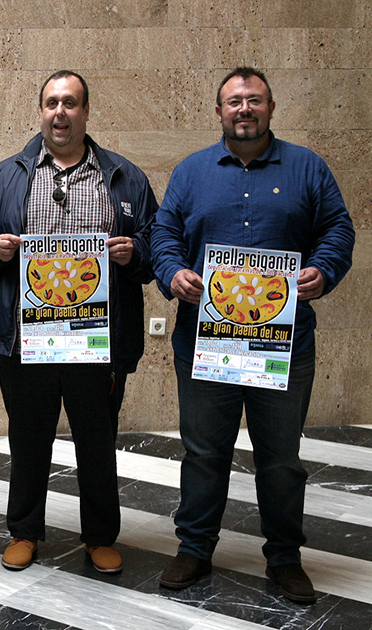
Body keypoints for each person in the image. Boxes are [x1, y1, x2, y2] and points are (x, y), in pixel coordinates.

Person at [151, 67, 355, 604]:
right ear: (219, 111)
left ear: (270, 108)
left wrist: (324, 270)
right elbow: (163, 233)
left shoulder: (308, 167)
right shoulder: (192, 171)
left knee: (281, 458)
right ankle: (194, 547)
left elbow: (338, 229)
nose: (245, 109)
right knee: (203, 452)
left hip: (282, 346)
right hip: (207, 343)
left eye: (255, 100)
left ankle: (285, 557)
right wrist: (172, 272)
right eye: (234, 101)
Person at [0, 70, 158, 574]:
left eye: (70, 103)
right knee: (28, 440)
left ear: (86, 112)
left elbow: (157, 247)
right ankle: (24, 531)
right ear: (41, 111)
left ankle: (100, 536)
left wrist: (134, 253)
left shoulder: (125, 177)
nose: (60, 112)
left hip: (97, 342)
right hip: (27, 341)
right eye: (52, 102)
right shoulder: (6, 176)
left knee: (97, 442)